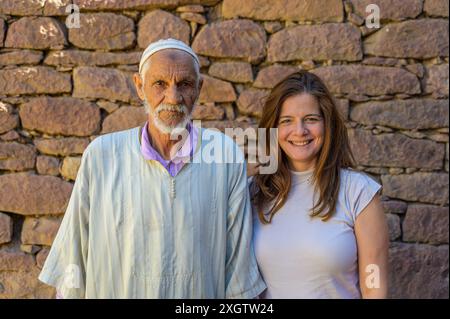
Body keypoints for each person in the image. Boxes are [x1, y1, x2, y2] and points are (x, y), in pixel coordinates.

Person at [39, 38, 266, 299]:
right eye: (160, 84)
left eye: (185, 84)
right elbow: (74, 256)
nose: (173, 97)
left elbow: (238, 274)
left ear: (199, 88)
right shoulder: (101, 156)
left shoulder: (225, 157)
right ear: (139, 86)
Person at [250, 71, 389, 299]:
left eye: (311, 119)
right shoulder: (254, 191)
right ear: (273, 129)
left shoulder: (359, 193)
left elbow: (374, 284)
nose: (300, 131)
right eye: (287, 121)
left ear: (327, 124)